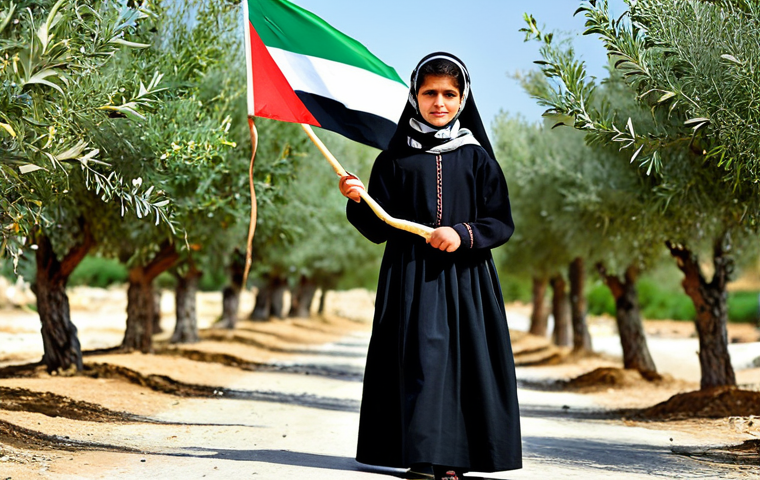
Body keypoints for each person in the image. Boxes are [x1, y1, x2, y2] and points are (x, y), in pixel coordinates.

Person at [339, 52, 522, 480]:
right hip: (410, 277)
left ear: (463, 99)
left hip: (465, 280)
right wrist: (357, 199)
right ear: (414, 96)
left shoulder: (477, 158)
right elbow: (378, 226)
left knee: (460, 363)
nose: (439, 102)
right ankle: (422, 458)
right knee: (420, 359)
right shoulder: (394, 158)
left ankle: (455, 460)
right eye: (429, 93)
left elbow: (500, 221)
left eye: (449, 94)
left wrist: (462, 233)